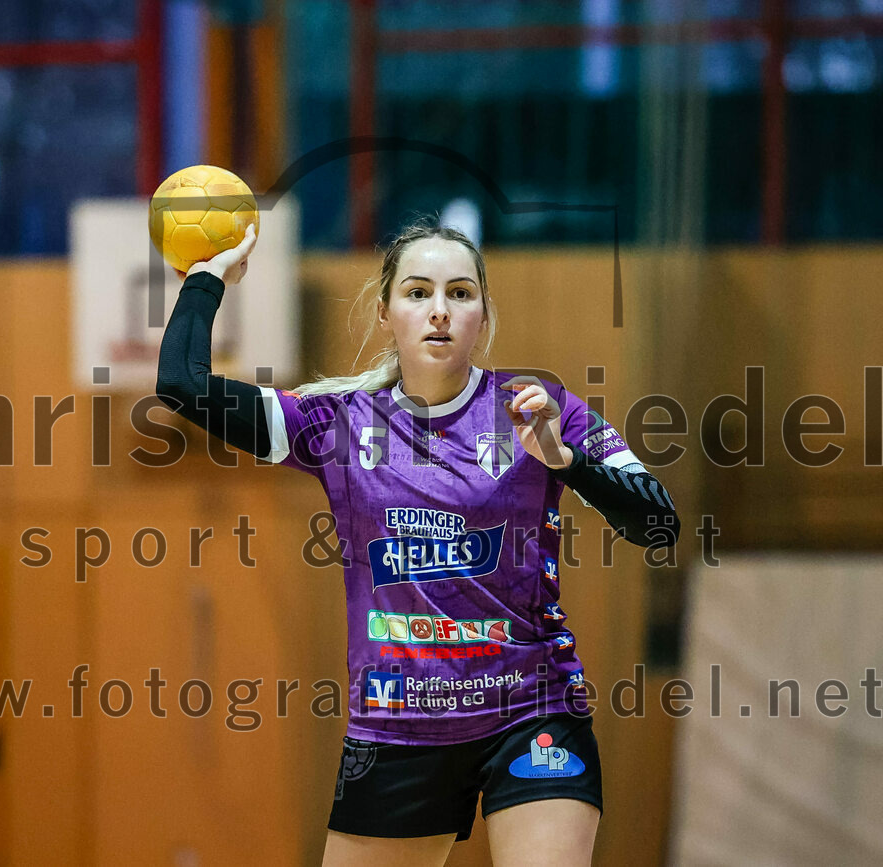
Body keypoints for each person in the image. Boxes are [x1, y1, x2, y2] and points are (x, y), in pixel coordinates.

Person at [156, 218, 679, 867]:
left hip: (532, 711)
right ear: (385, 314)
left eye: (460, 293)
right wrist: (209, 277)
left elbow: (660, 524)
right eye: (418, 292)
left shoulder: (541, 408)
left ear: (483, 317)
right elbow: (182, 384)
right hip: (398, 725)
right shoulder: (335, 426)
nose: (439, 310)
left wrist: (563, 456)